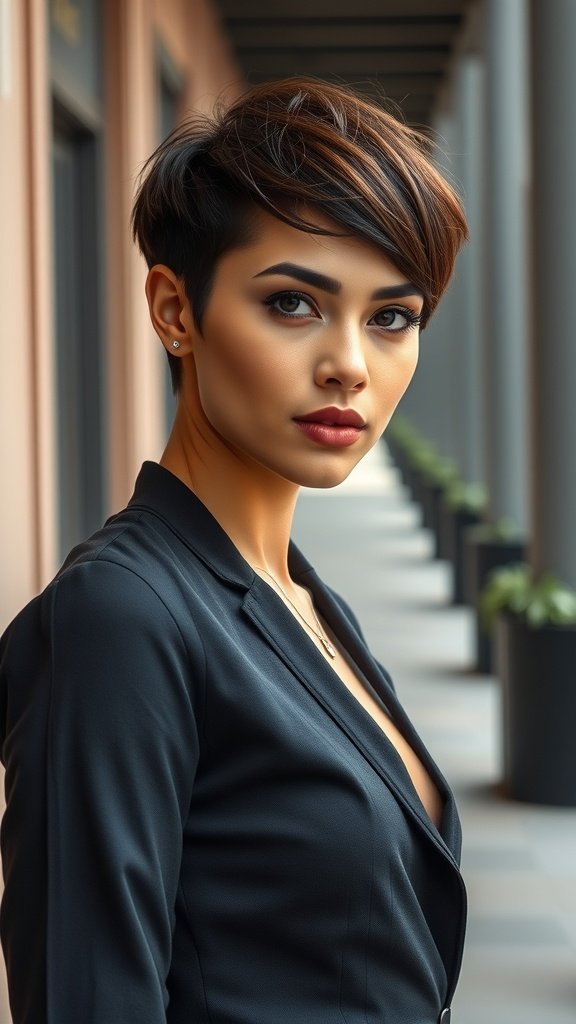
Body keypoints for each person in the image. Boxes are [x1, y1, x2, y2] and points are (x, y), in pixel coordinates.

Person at [0, 78, 468, 1024]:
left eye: (392, 316)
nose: (351, 362)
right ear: (176, 312)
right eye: (294, 303)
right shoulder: (121, 617)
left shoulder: (294, 592)